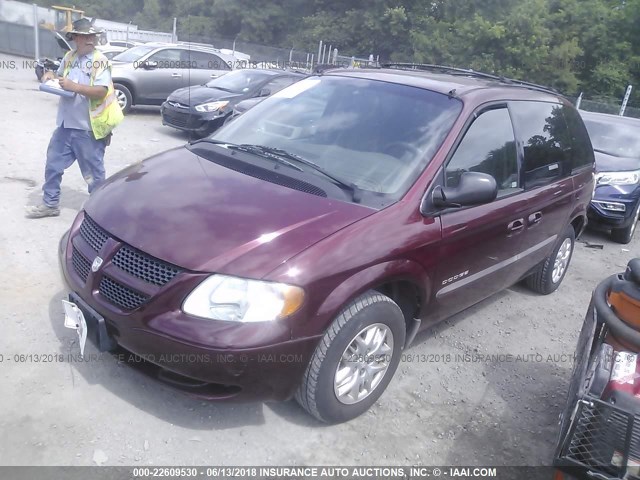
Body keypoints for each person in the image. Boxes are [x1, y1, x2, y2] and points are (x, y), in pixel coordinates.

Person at [26, 17, 123, 219]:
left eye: (92, 36)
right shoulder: (70, 56)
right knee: (53, 165)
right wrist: (49, 76)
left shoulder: (100, 61)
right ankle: (50, 203)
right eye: (86, 36)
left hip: (88, 129)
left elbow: (100, 91)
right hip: (65, 125)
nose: (90, 39)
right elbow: (59, 75)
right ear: (75, 37)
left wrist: (74, 87)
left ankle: (98, 212)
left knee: (93, 175)